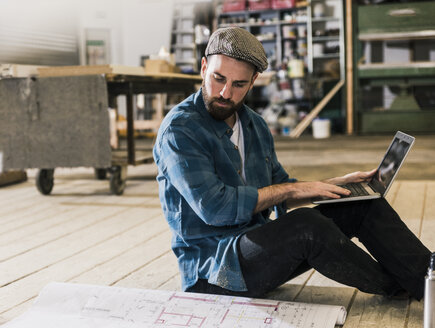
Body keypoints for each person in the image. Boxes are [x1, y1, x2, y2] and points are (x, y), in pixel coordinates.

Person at [153, 27, 431, 300]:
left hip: (258, 247)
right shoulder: (180, 131)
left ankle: (426, 280)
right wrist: (291, 191)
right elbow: (216, 210)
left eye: (239, 84)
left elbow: (280, 188)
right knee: (305, 225)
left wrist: (331, 186)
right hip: (215, 270)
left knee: (360, 203)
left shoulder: (254, 125)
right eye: (217, 78)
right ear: (203, 67)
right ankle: (400, 286)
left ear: (253, 81)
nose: (225, 92)